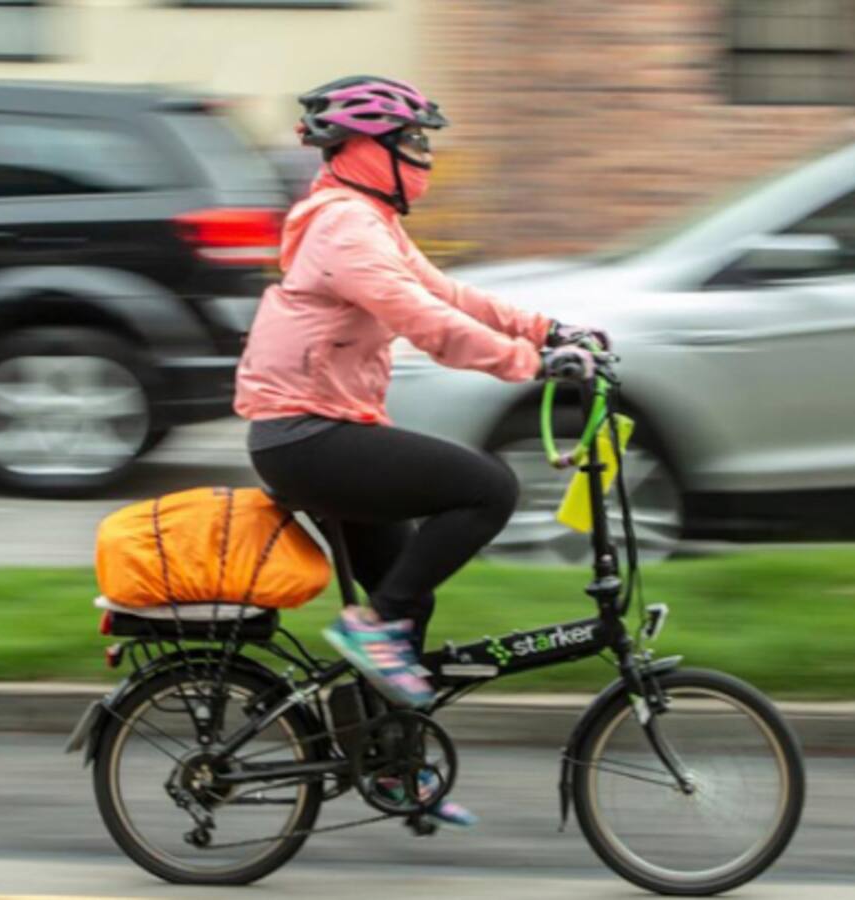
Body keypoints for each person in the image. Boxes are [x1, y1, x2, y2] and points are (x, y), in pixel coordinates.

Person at [235, 75, 605, 825]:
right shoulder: (344, 226)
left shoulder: (366, 220)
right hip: (307, 437)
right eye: (412, 142)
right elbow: (420, 319)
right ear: (367, 149)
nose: (424, 156)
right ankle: (370, 638)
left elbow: (449, 295)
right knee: (487, 490)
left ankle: (389, 767)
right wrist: (530, 368)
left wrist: (547, 330)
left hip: (326, 429)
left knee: (409, 596)